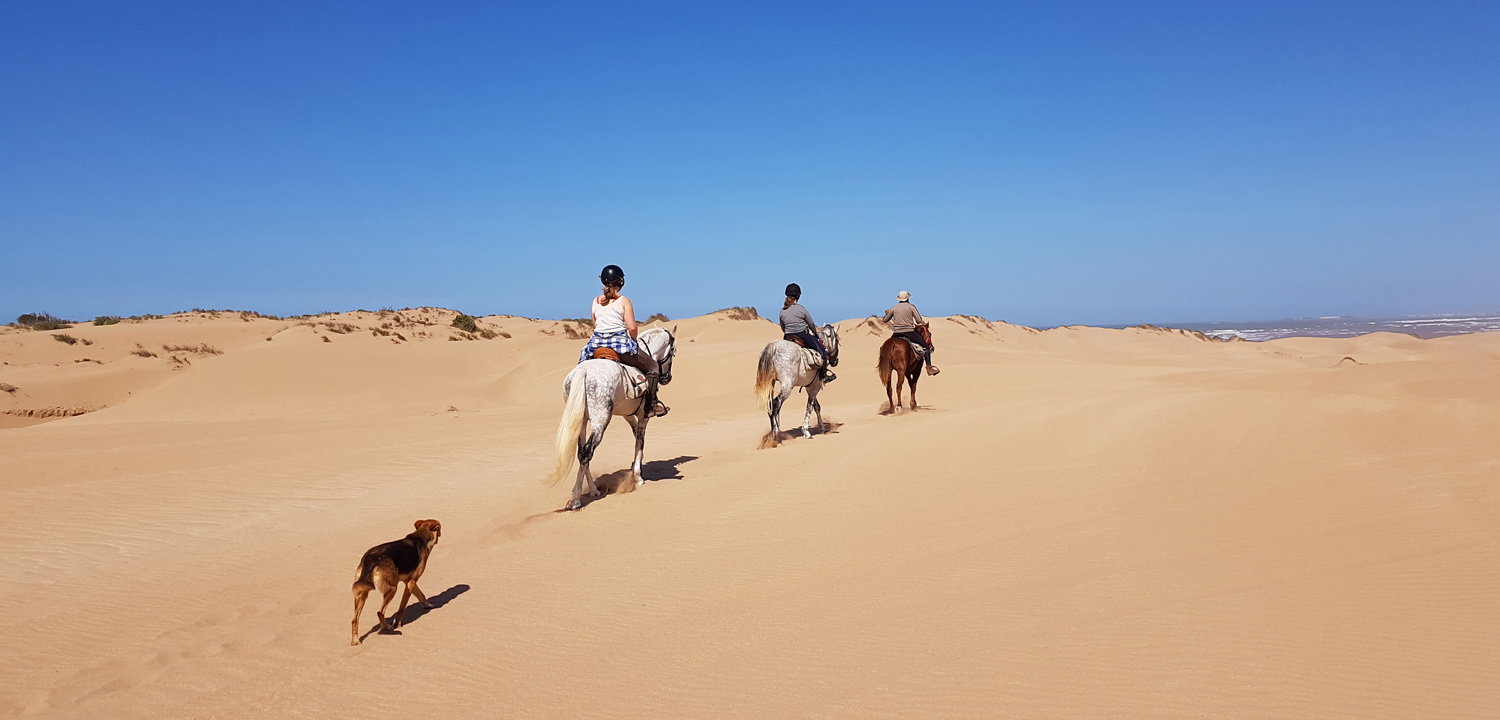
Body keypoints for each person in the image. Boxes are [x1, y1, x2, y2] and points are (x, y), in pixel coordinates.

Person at [578, 264, 668, 417]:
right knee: (653, 367)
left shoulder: (595, 301)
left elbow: (596, 325)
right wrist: (632, 342)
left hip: (595, 347)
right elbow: (632, 328)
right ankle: (650, 406)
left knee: (581, 370)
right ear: (620, 282)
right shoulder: (624, 301)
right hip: (620, 346)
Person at [779, 283, 836, 383]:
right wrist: (816, 333)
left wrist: (789, 332)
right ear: (798, 296)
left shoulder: (782, 311)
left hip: (787, 336)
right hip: (802, 334)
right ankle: (824, 376)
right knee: (822, 352)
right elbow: (811, 324)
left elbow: (783, 327)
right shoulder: (802, 309)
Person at [882, 290, 939, 375]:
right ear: (908, 298)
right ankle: (929, 367)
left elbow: (885, 320)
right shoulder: (911, 307)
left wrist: (887, 313)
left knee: (886, 347)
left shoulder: (894, 308)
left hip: (896, 333)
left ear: (899, 299)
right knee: (926, 347)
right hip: (909, 332)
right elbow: (919, 320)